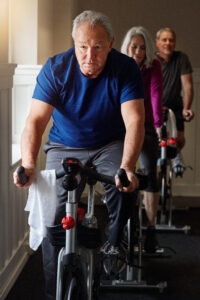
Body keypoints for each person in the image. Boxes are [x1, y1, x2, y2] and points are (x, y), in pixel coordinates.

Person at [13, 10, 145, 299]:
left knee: (122, 183)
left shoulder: (125, 68)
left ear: (110, 43)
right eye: (83, 47)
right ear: (73, 44)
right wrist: (29, 164)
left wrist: (127, 167)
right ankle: (53, 291)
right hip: (64, 145)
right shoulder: (56, 68)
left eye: (98, 47)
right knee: (52, 218)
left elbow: (134, 121)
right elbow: (35, 121)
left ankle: (113, 240)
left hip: (109, 142)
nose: (90, 55)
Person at [121, 26, 163, 253]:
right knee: (120, 172)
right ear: (127, 47)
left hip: (146, 126)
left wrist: (158, 125)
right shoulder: (119, 65)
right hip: (121, 126)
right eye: (134, 47)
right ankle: (121, 227)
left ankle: (151, 228)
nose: (137, 52)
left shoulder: (153, 66)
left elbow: (156, 94)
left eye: (142, 48)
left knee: (150, 173)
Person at [156, 27, 194, 176]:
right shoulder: (153, 61)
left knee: (179, 139)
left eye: (171, 40)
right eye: (164, 40)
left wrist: (186, 109)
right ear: (157, 43)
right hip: (155, 106)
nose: (168, 43)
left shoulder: (181, 58)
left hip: (175, 106)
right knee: (153, 140)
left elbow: (188, 86)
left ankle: (175, 154)